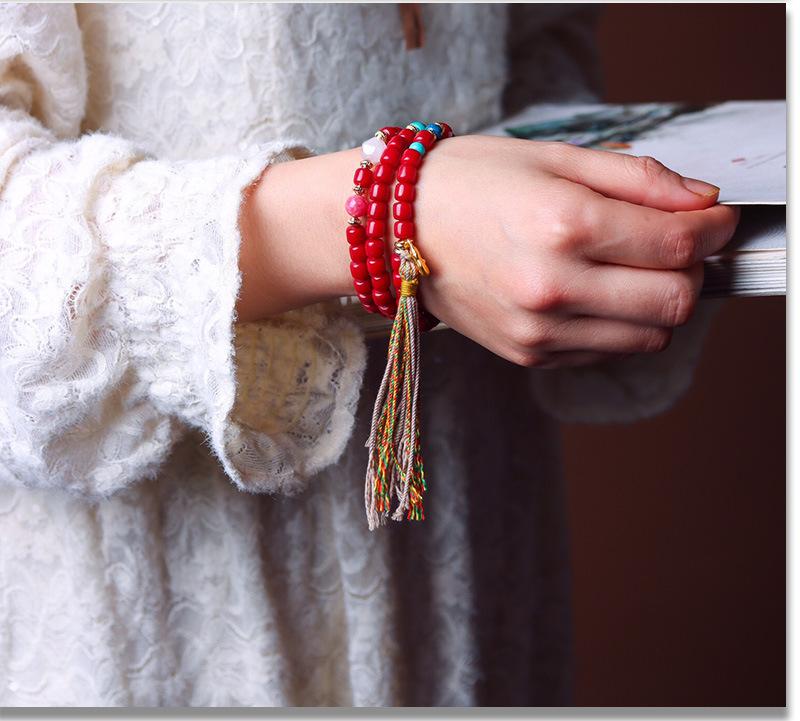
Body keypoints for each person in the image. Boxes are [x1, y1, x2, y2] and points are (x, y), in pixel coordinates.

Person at [0, 3, 738, 707]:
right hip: (171, 593)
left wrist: (573, 219)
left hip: (471, 528)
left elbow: (536, 43)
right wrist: (392, 213)